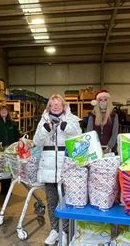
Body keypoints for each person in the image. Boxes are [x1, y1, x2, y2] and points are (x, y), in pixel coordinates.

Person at [33, 94, 82, 245]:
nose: (55, 106)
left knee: (66, 201)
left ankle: (65, 231)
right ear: (49, 107)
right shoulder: (44, 120)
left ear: (64, 105)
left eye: (58, 103)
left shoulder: (72, 119)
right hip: (48, 165)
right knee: (52, 200)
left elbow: (79, 136)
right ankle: (55, 230)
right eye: (52, 104)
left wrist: (66, 127)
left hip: (66, 165)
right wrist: (45, 130)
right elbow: (36, 141)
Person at [0, 105, 20, 194]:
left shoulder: (13, 124)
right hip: (0, 151)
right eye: (2, 110)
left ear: (8, 112)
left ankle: (8, 187)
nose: (4, 111)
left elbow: (17, 136)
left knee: (9, 169)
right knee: (1, 169)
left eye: (5, 110)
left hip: (10, 151)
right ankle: (3, 187)